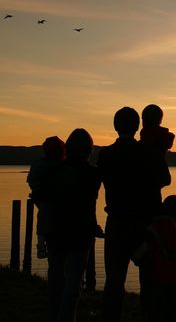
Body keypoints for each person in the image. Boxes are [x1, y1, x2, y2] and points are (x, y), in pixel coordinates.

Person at [99, 107, 169, 322]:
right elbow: (165, 180)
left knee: (114, 282)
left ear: (115, 126)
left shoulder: (106, 154)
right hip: (144, 226)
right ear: (137, 126)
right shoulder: (148, 151)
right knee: (148, 282)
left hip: (117, 223)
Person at [46, 128, 101, 322]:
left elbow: (48, 201)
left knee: (55, 276)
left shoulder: (54, 171)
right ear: (89, 149)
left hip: (56, 229)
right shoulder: (93, 174)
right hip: (80, 230)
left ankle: (54, 315)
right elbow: (90, 204)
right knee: (74, 281)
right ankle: (67, 317)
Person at [132, 195, 176, 322]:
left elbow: (140, 253)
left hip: (158, 277)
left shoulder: (155, 226)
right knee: (171, 311)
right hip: (172, 278)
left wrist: (136, 258)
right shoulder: (173, 227)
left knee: (156, 311)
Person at [27, 136, 65, 259]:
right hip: (55, 205)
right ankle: (42, 246)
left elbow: (32, 181)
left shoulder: (38, 164)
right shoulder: (63, 164)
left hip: (45, 202)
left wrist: (37, 192)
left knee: (43, 218)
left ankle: (41, 245)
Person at [140, 104, 174, 188]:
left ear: (143, 121)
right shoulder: (162, 140)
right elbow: (166, 179)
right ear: (160, 121)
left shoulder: (138, 146)